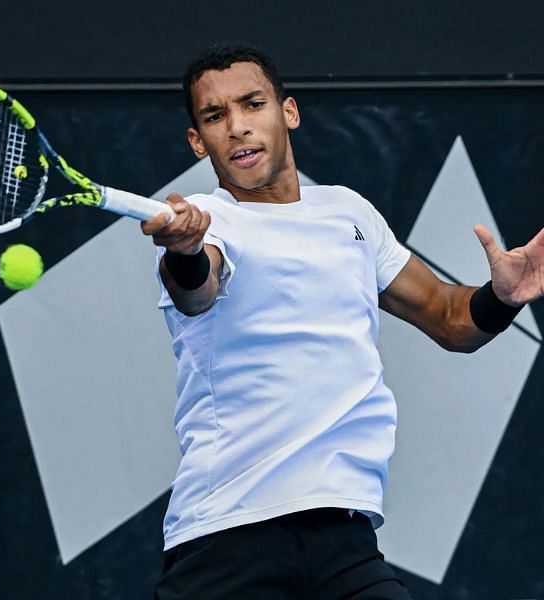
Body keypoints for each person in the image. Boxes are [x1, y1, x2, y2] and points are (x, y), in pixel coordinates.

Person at [140, 44, 543, 598]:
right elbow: (196, 291)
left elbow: (451, 319)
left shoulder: (349, 213)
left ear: (289, 112)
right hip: (227, 536)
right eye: (214, 116)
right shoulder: (213, 224)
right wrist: (184, 251)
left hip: (343, 540)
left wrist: (502, 297)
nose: (236, 127)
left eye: (252, 104)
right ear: (197, 141)